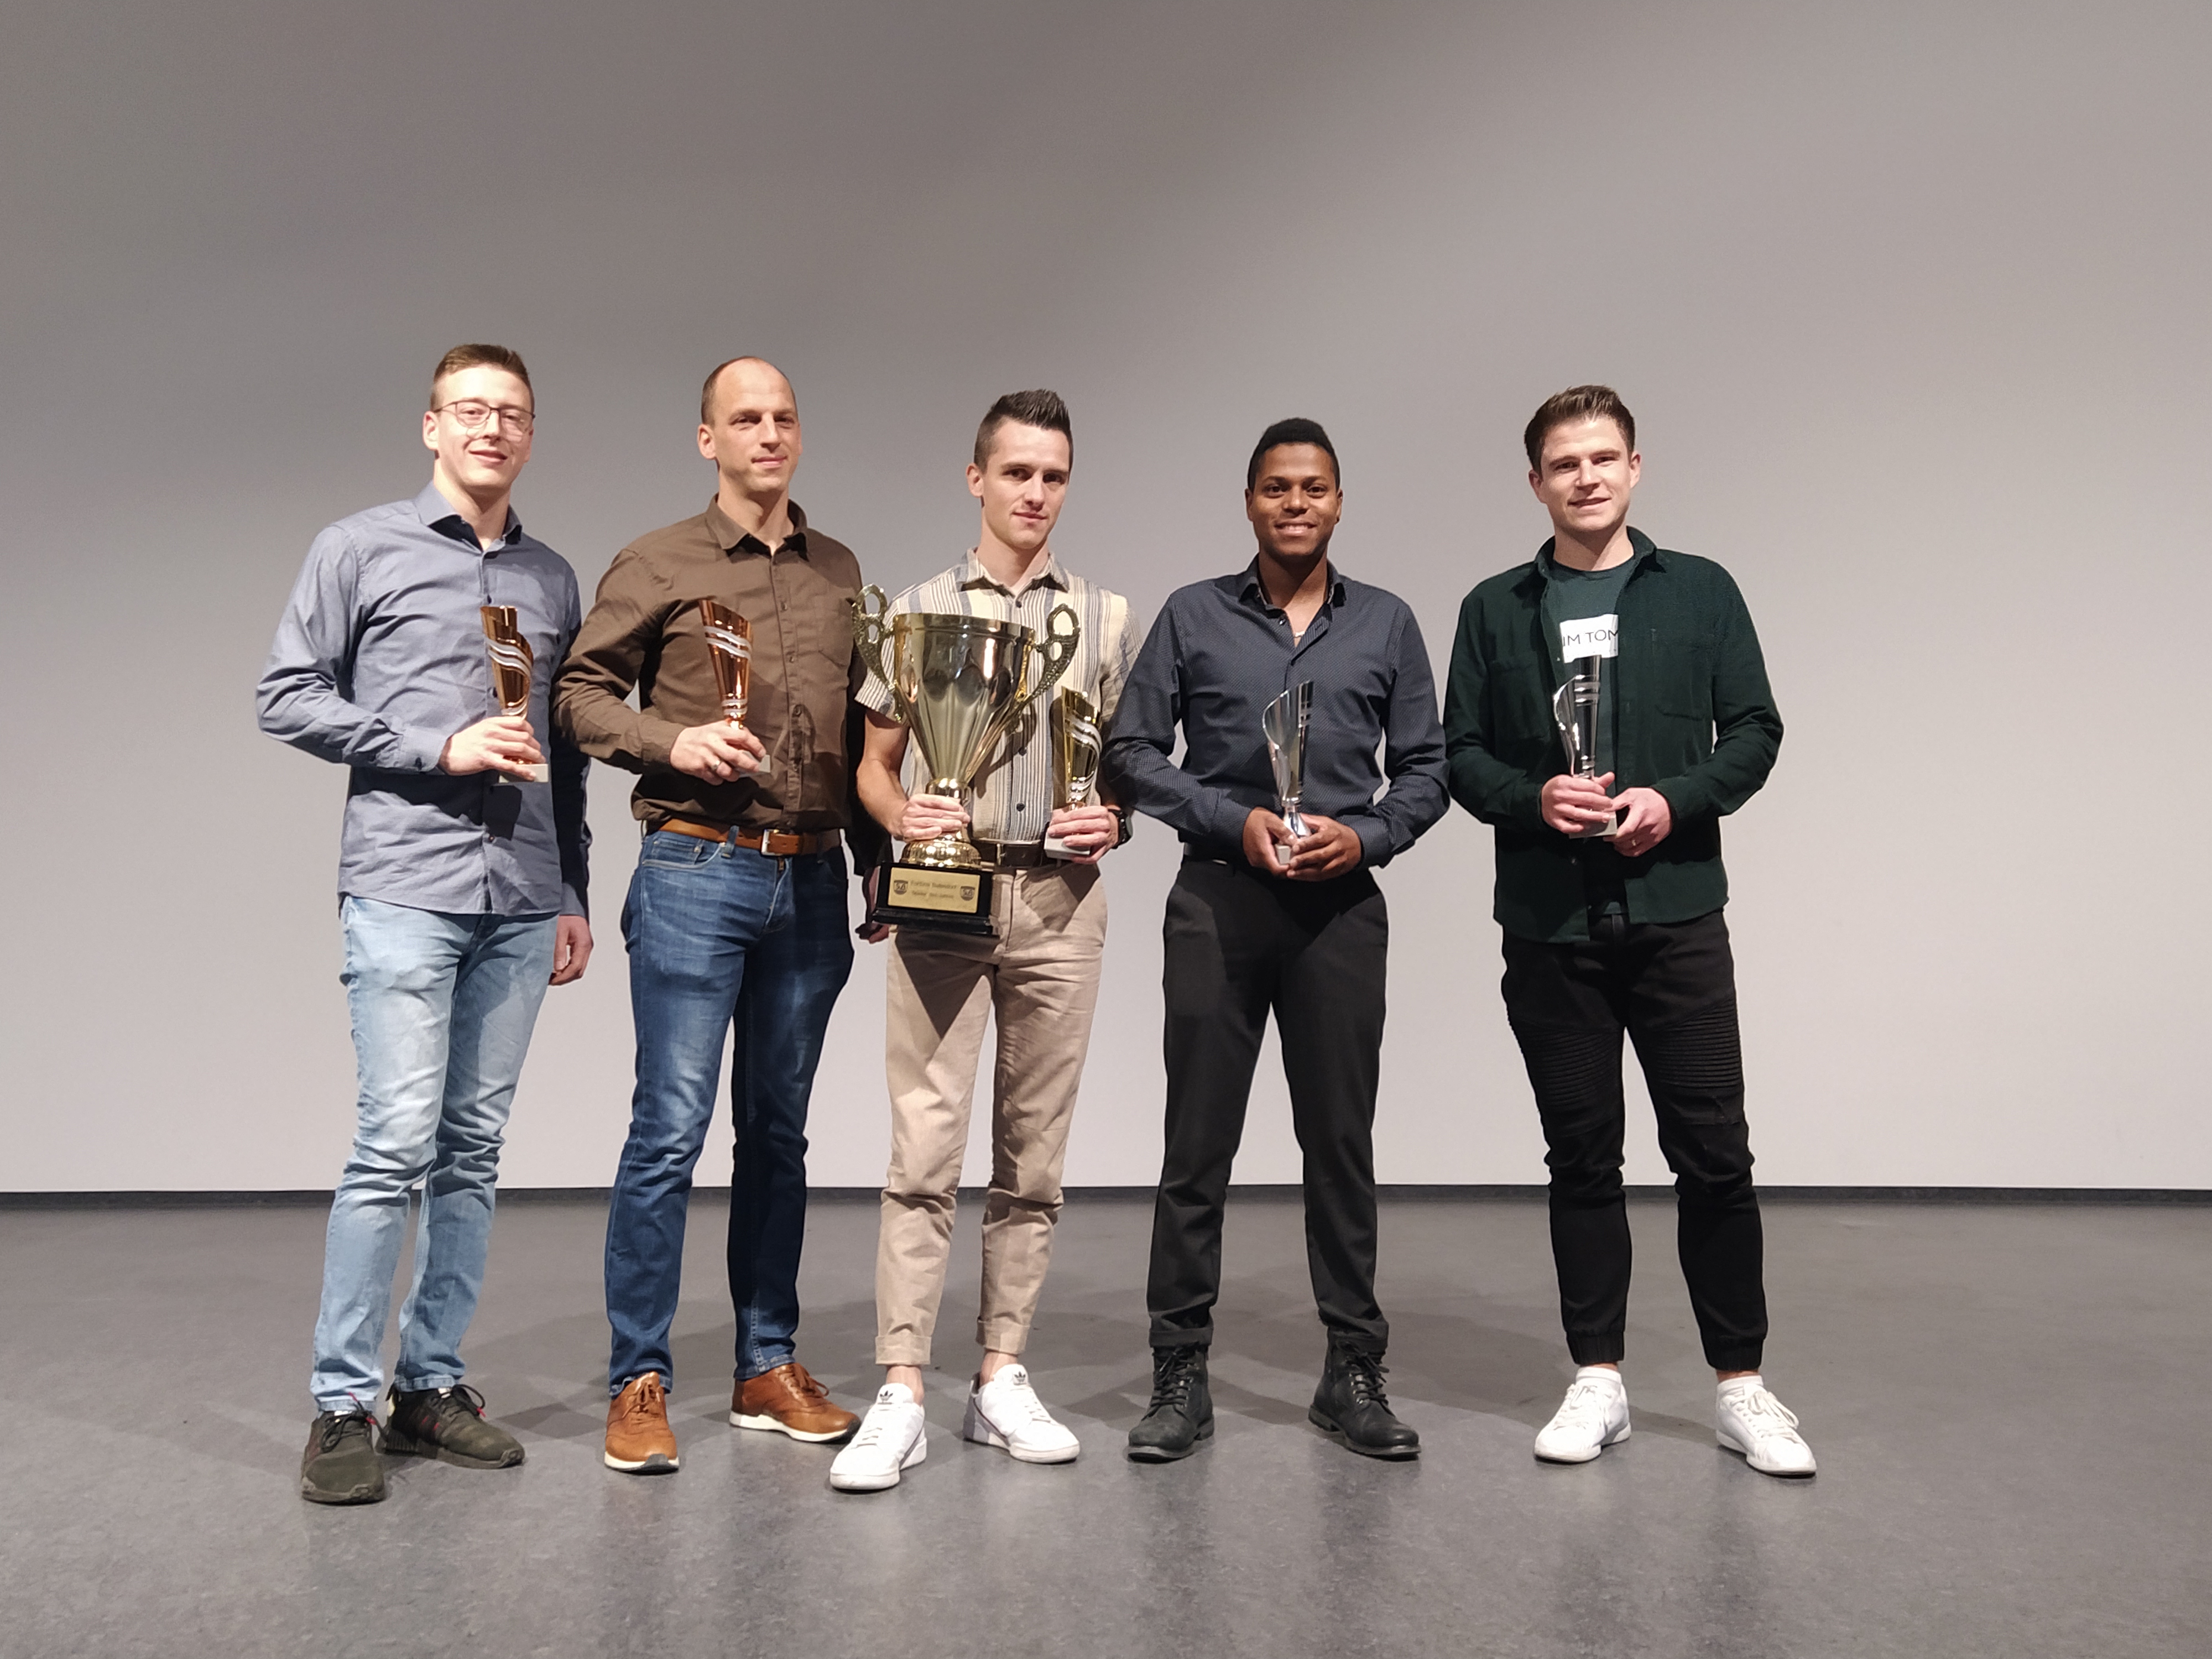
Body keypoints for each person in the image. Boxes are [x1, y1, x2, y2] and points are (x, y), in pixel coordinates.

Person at [1442, 384, 1814, 1477]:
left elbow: (1755, 729)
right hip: (1550, 924)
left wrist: (1675, 799)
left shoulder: (1700, 591)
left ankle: (1740, 1386)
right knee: (1580, 1156)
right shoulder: (1494, 609)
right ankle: (1596, 1379)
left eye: (1604, 458)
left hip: (1676, 914)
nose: (1587, 478)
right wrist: (1531, 799)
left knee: (1714, 1155)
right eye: (1565, 464)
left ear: (1635, 467)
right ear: (1535, 483)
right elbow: (1460, 753)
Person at [258, 343, 594, 1505]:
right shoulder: (358, 547)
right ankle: (341, 1405)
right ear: (431, 426)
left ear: (530, 435)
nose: (491, 428)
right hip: (405, 887)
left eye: (512, 413)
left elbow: (565, 753)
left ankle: (430, 1386)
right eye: (470, 409)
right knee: (392, 1145)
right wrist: (433, 747)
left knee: (473, 1151)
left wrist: (571, 889)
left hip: (522, 895)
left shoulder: (551, 577)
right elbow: (285, 694)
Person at [554, 356, 885, 1475]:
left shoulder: (840, 570)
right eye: (745, 419)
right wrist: (673, 741)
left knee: (779, 1136)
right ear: (708, 440)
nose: (768, 434)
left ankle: (764, 1366)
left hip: (812, 881)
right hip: (696, 867)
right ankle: (638, 1378)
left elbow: (864, 734)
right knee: (669, 1130)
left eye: (783, 416)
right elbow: (576, 696)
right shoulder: (658, 561)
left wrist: (881, 863)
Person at [1103, 417, 1447, 1462]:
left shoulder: (1385, 622)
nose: (1296, 504)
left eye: (1314, 488)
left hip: (1339, 910)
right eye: (1276, 488)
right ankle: (1180, 1372)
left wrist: (1367, 836)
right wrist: (1227, 819)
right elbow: (1129, 751)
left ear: (1340, 502)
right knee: (1196, 1145)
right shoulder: (1193, 615)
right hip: (1219, 901)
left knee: (1340, 1143)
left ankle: (1352, 1370)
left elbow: (1429, 769)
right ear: (1249, 501)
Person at [828, 390, 1138, 1493]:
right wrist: (902, 813)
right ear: (977, 479)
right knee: (923, 1149)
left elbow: (1123, 766)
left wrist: (1115, 818)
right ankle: (903, 1387)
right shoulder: (916, 609)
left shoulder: (1105, 617)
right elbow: (874, 767)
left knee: (1033, 1157)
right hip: (943, 901)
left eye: (1052, 476)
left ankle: (1000, 1374)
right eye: (1016, 473)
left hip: (1060, 901)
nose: (1035, 493)